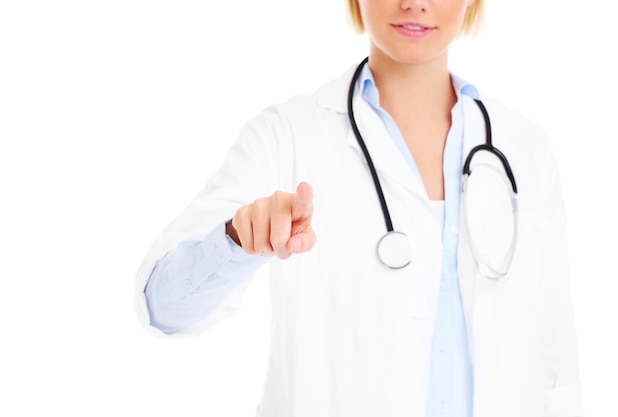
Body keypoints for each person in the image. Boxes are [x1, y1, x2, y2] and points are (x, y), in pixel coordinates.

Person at [135, 0, 584, 415]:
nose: (415, 2)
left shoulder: (525, 149)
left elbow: (555, 363)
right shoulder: (285, 136)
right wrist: (234, 243)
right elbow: (162, 308)